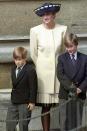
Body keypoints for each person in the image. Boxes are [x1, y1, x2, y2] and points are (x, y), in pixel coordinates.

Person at [30, 2, 67, 131]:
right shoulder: (35, 31)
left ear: (54, 15)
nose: (46, 16)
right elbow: (33, 54)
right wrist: (42, 66)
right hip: (43, 76)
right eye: (44, 14)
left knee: (63, 104)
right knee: (46, 107)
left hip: (59, 74)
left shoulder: (63, 29)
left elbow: (63, 52)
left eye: (49, 14)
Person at [57, 33, 87, 131]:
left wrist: (80, 88)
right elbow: (60, 75)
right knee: (64, 120)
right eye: (67, 47)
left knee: (77, 121)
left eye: (71, 46)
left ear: (76, 44)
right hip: (65, 94)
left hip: (79, 94)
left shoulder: (84, 58)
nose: (69, 49)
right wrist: (73, 88)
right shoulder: (62, 58)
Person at [6, 47, 37, 131]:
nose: (18, 62)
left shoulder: (30, 70)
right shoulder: (13, 69)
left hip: (25, 102)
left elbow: (33, 87)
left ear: (25, 58)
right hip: (14, 101)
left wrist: (32, 102)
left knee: (23, 125)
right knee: (9, 124)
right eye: (16, 59)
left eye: (20, 59)